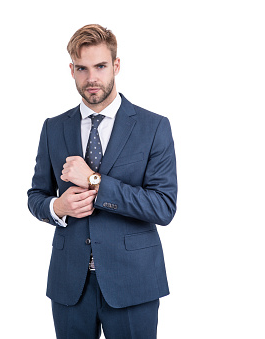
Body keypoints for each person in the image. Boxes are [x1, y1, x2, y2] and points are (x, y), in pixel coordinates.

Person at [27, 24, 177, 339]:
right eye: (82, 68)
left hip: (133, 283)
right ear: (71, 70)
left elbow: (164, 207)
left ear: (116, 66)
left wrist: (96, 181)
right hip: (70, 284)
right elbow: (36, 195)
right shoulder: (53, 128)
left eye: (100, 66)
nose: (91, 78)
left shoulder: (153, 127)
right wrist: (57, 206)